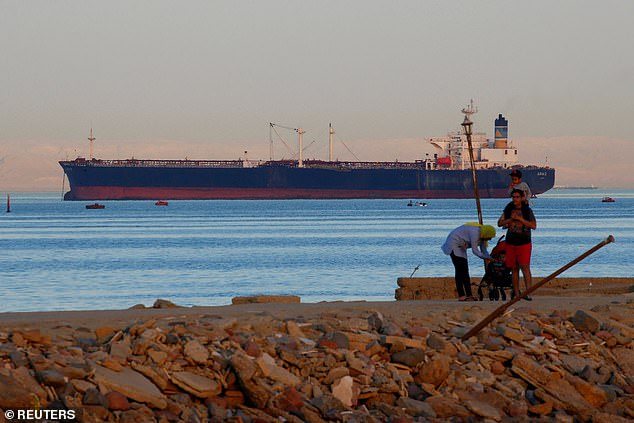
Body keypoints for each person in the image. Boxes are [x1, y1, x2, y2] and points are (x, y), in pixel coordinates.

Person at [498, 189, 537, 300]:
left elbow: (533, 226)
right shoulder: (508, 209)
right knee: (514, 268)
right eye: (513, 197)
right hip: (511, 243)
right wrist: (510, 219)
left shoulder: (527, 211)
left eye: (517, 197)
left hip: (524, 243)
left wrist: (519, 219)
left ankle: (528, 292)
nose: (515, 199)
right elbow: (499, 223)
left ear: (522, 198)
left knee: (525, 267)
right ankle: (516, 293)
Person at [441, 223, 496, 301]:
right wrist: (486, 258)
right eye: (490, 237)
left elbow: (484, 250)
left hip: (462, 246)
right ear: (486, 234)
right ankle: (461, 295)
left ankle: (469, 295)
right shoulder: (475, 233)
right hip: (454, 243)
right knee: (460, 270)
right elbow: (475, 251)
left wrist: (490, 257)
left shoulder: (482, 237)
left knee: (465, 271)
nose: (490, 239)